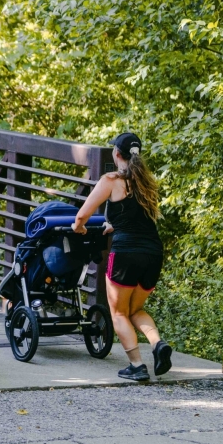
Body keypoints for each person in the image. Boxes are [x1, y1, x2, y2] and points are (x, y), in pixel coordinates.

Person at [72, 132, 171, 381]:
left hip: (126, 254)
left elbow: (82, 215)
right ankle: (158, 345)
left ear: (117, 154)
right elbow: (137, 219)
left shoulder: (111, 180)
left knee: (118, 313)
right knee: (135, 309)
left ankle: (137, 365)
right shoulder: (146, 183)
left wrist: (79, 227)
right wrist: (114, 225)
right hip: (153, 253)